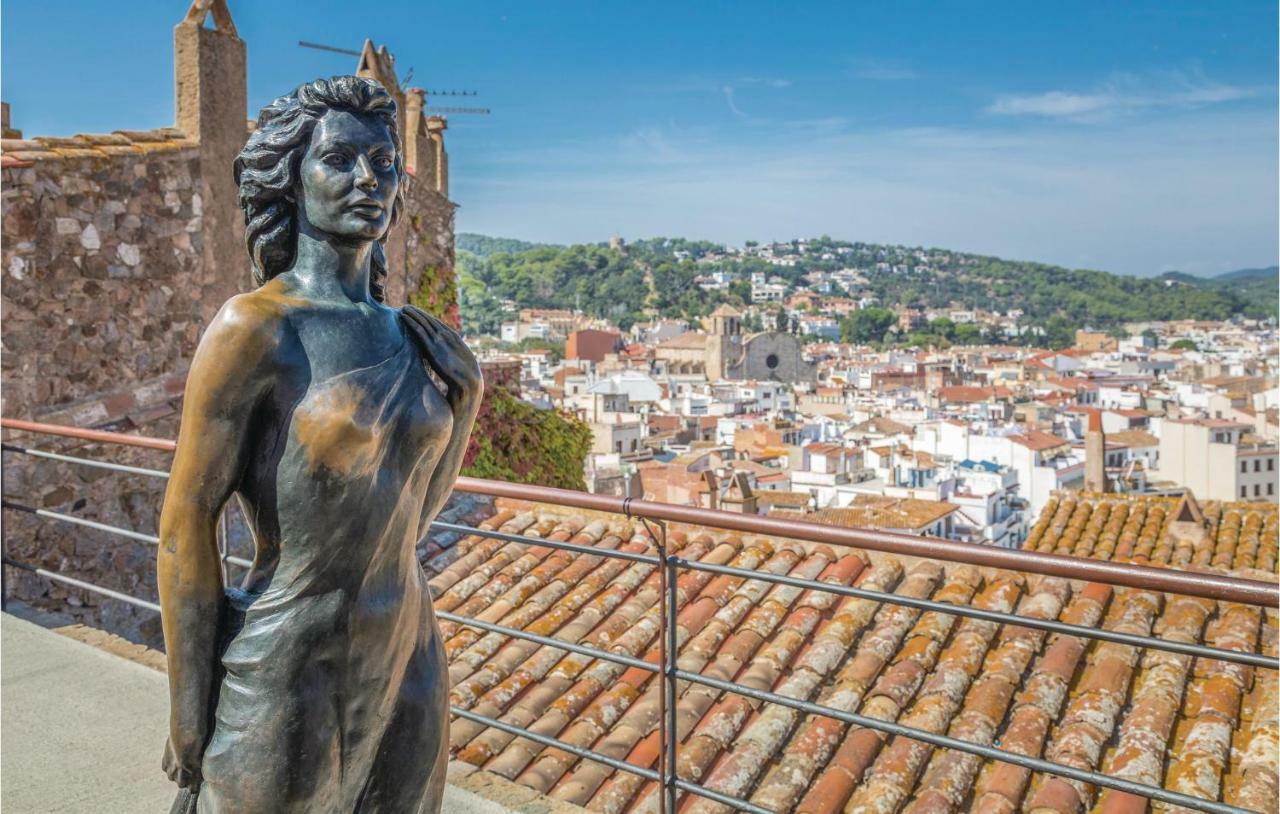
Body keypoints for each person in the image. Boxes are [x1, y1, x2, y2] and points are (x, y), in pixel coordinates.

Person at [157, 75, 481, 813]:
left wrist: (466, 405)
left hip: (408, 656)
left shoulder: (408, 335)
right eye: (339, 160)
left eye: (384, 162)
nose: (369, 178)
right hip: (291, 664)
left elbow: (408, 518)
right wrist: (188, 707)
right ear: (291, 179)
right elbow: (184, 527)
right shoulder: (255, 329)